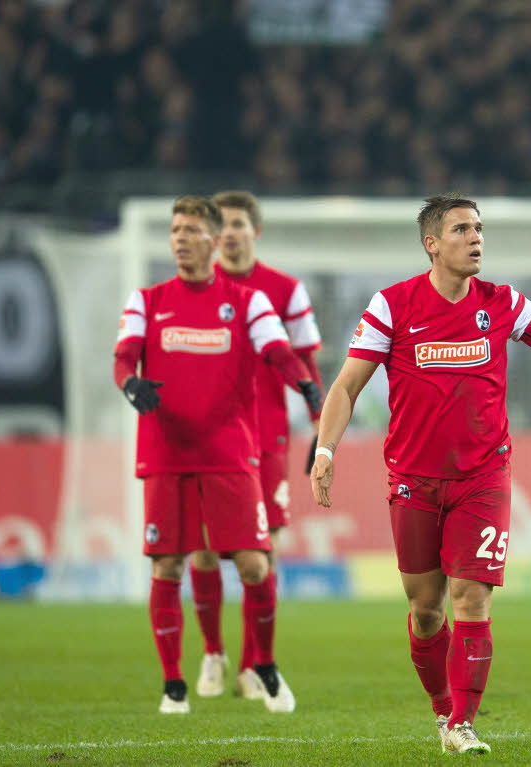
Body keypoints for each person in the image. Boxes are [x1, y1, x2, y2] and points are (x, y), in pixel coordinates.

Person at [310, 193, 531, 755]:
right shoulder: (392, 306)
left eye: (480, 228)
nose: (476, 237)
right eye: (462, 228)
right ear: (432, 243)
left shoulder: (501, 302)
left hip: (483, 477)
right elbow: (346, 386)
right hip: (413, 479)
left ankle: (462, 723)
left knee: (471, 600)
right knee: (426, 609)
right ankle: (442, 713)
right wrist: (325, 450)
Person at [113, 196, 321, 714]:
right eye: (174, 230)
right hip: (166, 449)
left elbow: (278, 351)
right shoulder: (146, 299)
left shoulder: (248, 301)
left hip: (230, 451)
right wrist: (130, 383)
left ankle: (264, 666)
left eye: (189, 230)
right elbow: (123, 358)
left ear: (212, 240)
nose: (179, 238)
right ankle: (175, 683)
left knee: (254, 562)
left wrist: (309, 390)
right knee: (169, 564)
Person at [187, 190, 324, 702]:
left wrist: (320, 427)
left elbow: (307, 363)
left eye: (240, 222)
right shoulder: (196, 289)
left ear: (255, 231)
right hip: (207, 438)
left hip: (266, 438)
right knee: (202, 546)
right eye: (223, 224)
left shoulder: (285, 289)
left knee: (262, 552)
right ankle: (212, 653)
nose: (232, 231)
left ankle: (251, 665)